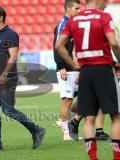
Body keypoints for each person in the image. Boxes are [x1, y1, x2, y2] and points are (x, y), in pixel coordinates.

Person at [56, 0, 120, 159]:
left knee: (88, 119)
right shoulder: (103, 17)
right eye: (104, 1)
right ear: (97, 1)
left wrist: (74, 65)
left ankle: (93, 157)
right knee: (115, 116)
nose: (106, 4)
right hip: (104, 68)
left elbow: (58, 45)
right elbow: (114, 43)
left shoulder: (74, 20)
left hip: (85, 71)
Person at [0, 6, 46, 152]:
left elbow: (14, 55)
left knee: (8, 110)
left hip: (7, 78)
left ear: (1, 18)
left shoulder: (10, 34)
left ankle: (36, 130)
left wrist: (4, 74)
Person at [53, 0, 82, 141]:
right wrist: (61, 66)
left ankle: (62, 120)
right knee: (67, 100)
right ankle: (67, 133)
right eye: (76, 8)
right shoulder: (62, 25)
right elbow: (57, 46)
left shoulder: (74, 25)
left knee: (83, 97)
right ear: (68, 9)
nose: (78, 11)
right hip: (65, 68)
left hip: (75, 68)